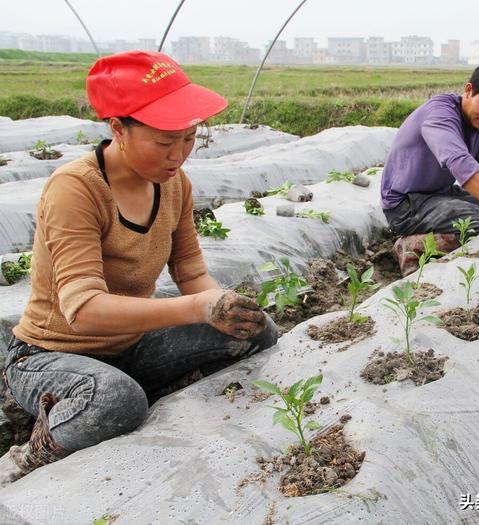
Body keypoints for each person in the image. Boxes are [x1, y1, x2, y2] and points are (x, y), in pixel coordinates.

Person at [0, 51, 278, 486]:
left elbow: (189, 269)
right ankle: (30, 454)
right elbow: (83, 308)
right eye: (165, 143)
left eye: (189, 139)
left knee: (257, 330)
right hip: (51, 355)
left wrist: (221, 305)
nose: (179, 155)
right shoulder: (75, 189)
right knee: (115, 400)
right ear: (118, 129)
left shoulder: (174, 184)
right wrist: (197, 308)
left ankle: (146, 397)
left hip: (130, 347)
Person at [381, 61, 479, 276]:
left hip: (438, 194)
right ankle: (413, 247)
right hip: (406, 205)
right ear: (468, 91)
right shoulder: (440, 114)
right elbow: (459, 161)